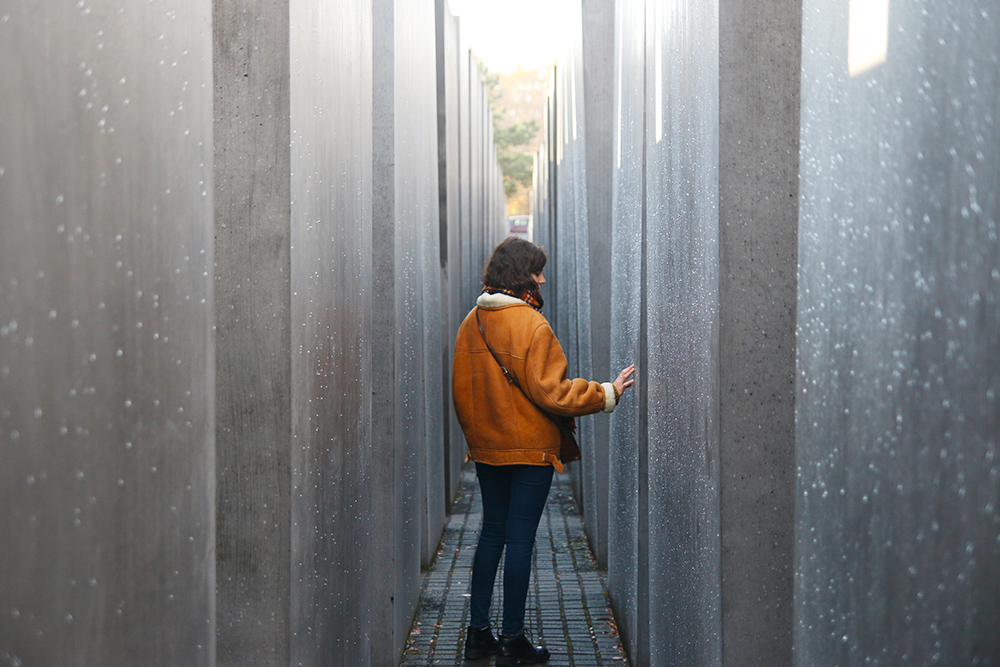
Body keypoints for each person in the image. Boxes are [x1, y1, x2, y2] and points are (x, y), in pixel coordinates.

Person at [452, 237, 635, 664]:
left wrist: (481, 438)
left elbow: (462, 393)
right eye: (537, 271)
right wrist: (607, 392)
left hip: (487, 451)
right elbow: (554, 395)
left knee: (491, 534)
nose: (543, 278)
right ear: (522, 276)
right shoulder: (532, 324)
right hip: (531, 452)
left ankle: (478, 633)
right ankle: (513, 638)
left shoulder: (470, 322)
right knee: (519, 541)